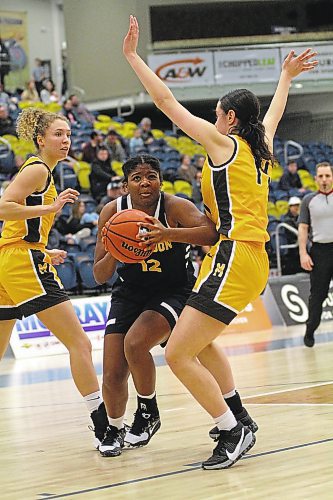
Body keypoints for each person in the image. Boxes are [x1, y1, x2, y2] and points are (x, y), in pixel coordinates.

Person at [123, 16, 318, 469]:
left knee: (176, 353)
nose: (211, 119)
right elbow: (274, 113)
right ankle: (241, 417)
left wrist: (133, 57)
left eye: (215, 113)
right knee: (199, 343)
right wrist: (284, 77)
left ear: (230, 119)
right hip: (247, 258)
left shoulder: (223, 143)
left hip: (233, 254)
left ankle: (231, 431)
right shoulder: (260, 145)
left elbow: (166, 100)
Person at [93, 154, 218, 457]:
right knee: (111, 372)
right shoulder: (112, 212)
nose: (145, 182)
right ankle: (114, 427)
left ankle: (148, 412)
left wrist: (167, 233)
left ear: (161, 180)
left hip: (173, 289)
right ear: (126, 185)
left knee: (136, 344)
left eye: (151, 176)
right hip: (130, 292)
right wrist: (117, 248)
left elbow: (211, 234)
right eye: (137, 177)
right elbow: (99, 275)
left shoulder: (174, 206)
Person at [0, 107, 108, 449]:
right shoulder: (36, 170)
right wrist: (49, 209)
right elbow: (3, 207)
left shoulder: (42, 171)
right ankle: (104, 427)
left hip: (11, 257)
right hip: (20, 262)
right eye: (59, 134)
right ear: (40, 139)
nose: (66, 140)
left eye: (68, 135)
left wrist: (43, 250)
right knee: (80, 343)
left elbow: (14, 229)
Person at [298, 162, 333, 347]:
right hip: (320, 252)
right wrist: (303, 253)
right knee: (317, 296)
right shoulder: (308, 201)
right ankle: (310, 330)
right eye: (321, 176)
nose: (324, 180)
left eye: (327, 176)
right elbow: (303, 228)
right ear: (315, 179)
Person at [280, 196, 302, 275]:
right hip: (292, 246)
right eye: (294, 206)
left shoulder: (302, 216)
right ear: (290, 207)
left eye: (297, 205)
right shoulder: (286, 219)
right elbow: (293, 233)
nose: (296, 208)